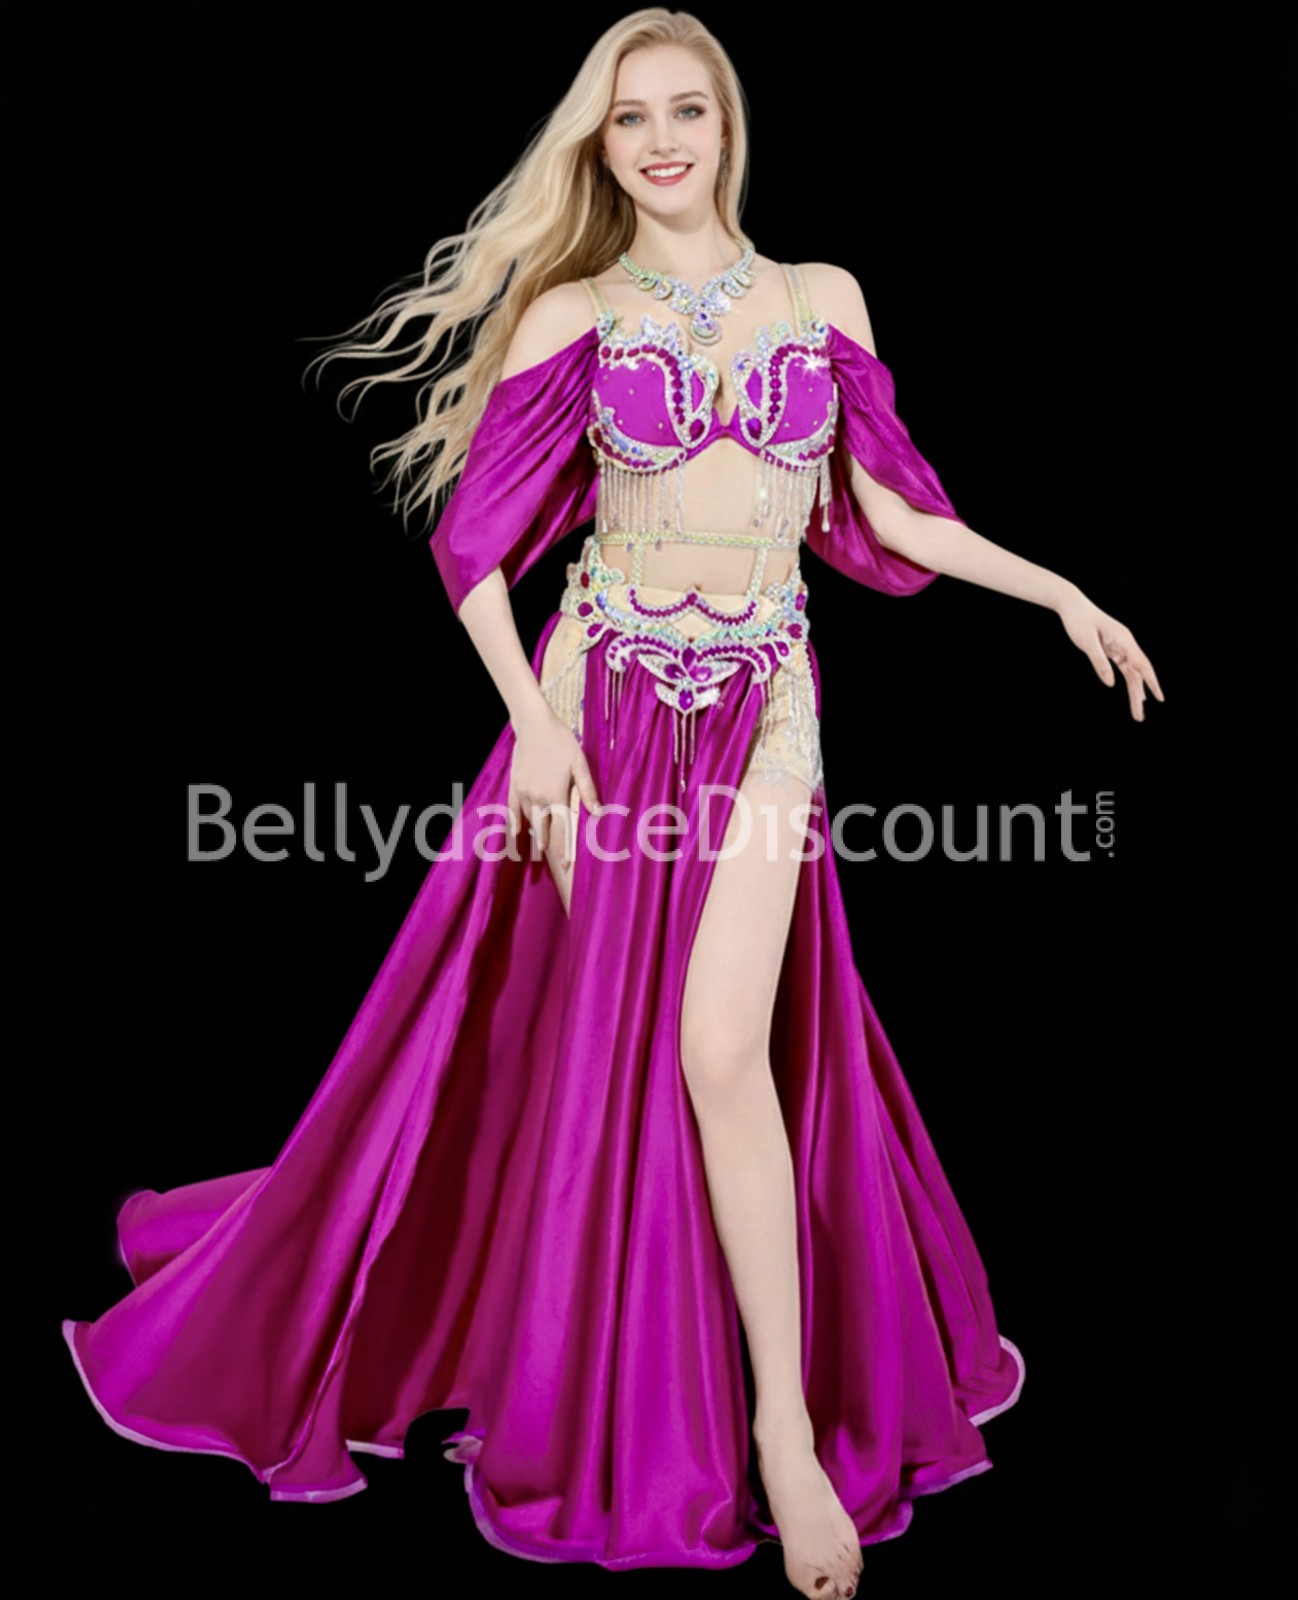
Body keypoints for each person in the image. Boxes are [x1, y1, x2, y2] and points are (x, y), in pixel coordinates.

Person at [60, 9, 1163, 1598]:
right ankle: (628, 1373)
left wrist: (1058, 591)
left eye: (685, 110)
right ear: (600, 141)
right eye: (629, 116)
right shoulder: (575, 309)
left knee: (721, 1045)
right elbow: (472, 546)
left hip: (763, 701)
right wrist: (532, 729)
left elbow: (892, 513)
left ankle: (781, 1430)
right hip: (596, 706)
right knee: (626, 1047)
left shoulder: (820, 298)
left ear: (727, 124)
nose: (659, 141)